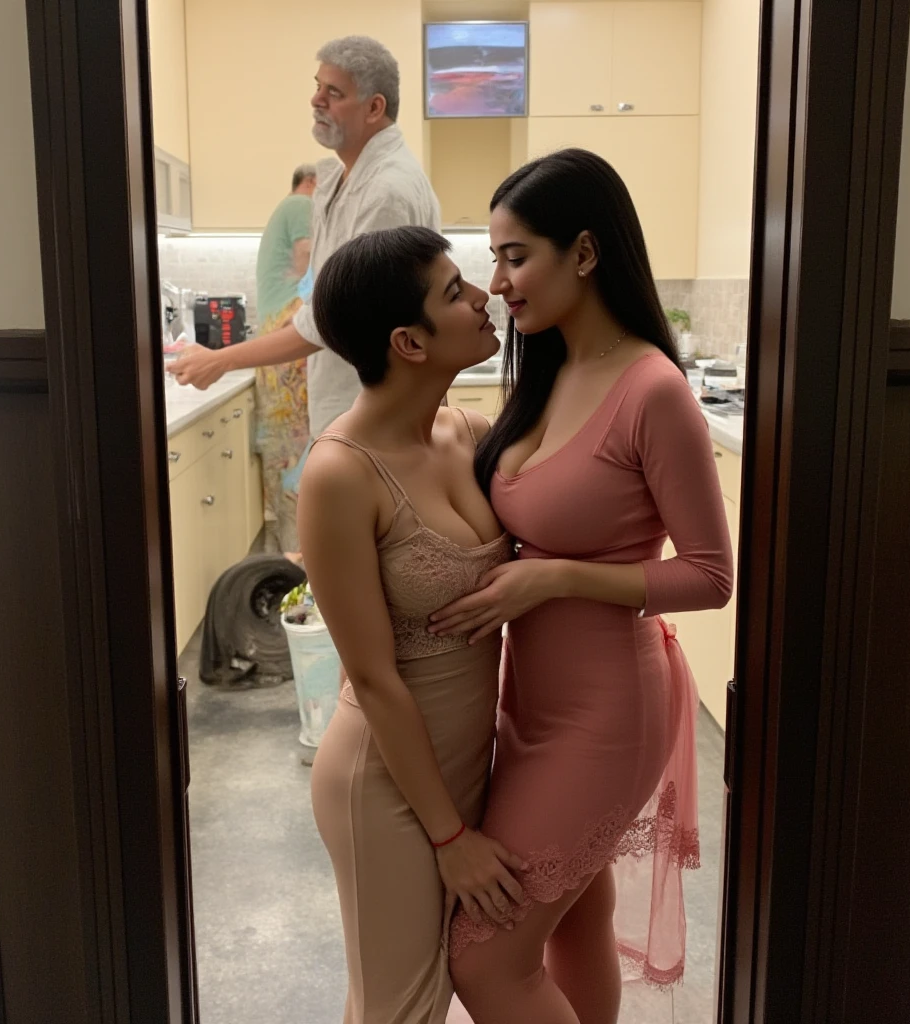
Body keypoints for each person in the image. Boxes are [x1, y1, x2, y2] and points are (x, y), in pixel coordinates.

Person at [427, 150, 734, 1023]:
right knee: (574, 922)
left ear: (586, 254)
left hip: (606, 713)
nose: (498, 282)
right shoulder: (548, 370)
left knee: (484, 957)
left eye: (515, 256)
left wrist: (554, 577)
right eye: (493, 259)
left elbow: (711, 577)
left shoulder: (653, 389)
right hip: (528, 703)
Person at [298, 226, 526, 1024]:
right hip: (387, 786)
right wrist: (448, 836)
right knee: (400, 1011)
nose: (483, 296)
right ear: (408, 341)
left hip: (468, 761)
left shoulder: (460, 430)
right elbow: (373, 677)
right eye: (455, 290)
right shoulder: (339, 474)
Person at [168, 35, 440, 443]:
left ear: (374, 107)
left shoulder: (385, 193)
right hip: (355, 412)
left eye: (334, 92)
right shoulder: (346, 182)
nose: (317, 100)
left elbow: (332, 319)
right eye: (317, 87)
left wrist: (222, 360)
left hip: (375, 420)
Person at [253, 163, 316, 551]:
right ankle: (298, 569)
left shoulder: (286, 208)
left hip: (279, 347)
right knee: (296, 461)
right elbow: (307, 257)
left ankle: (288, 560)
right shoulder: (299, 204)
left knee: (286, 457)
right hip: (288, 340)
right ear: (312, 183)